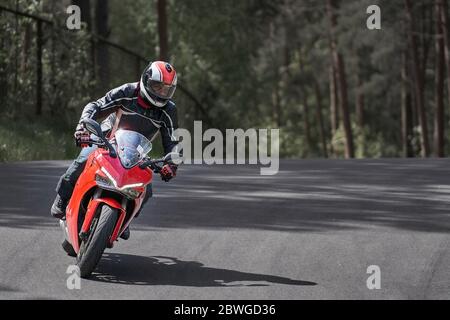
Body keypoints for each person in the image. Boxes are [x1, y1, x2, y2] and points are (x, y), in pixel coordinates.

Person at [51, 61, 180, 239]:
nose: (160, 92)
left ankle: (125, 218)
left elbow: (173, 140)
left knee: (146, 189)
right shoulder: (127, 92)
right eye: (157, 86)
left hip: (136, 152)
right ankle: (62, 197)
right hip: (108, 139)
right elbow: (96, 106)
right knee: (83, 159)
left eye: (166, 89)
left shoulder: (168, 110)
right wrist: (83, 127)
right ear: (146, 79)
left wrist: (172, 165)